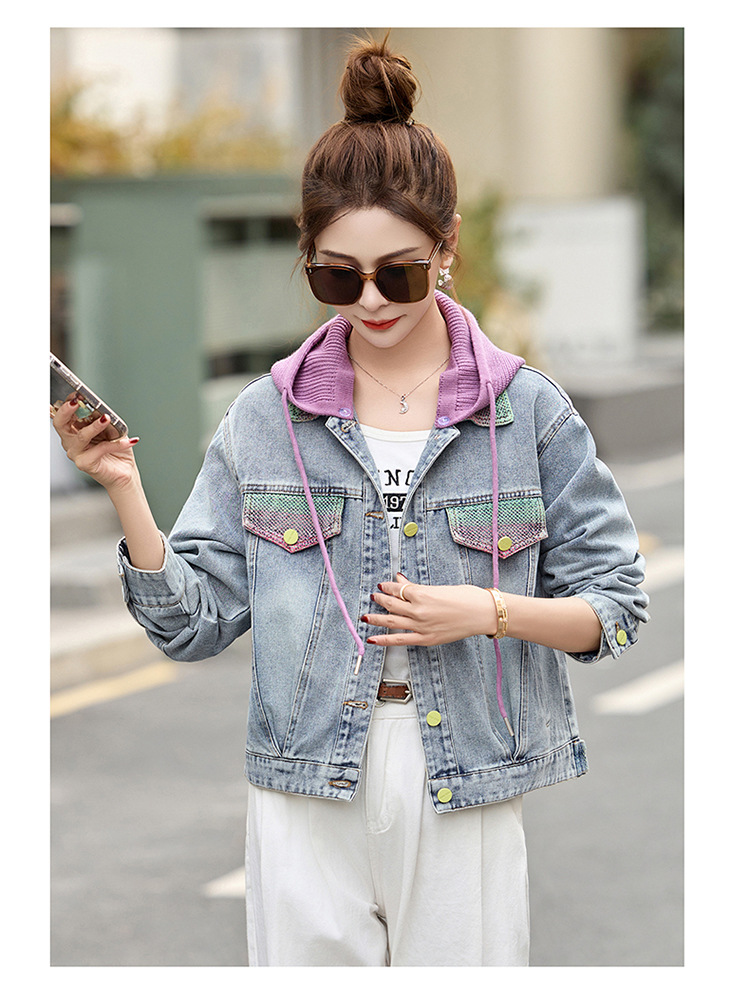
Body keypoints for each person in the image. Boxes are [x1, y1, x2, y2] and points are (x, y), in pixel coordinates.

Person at [52, 37, 649, 967]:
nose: (369, 301)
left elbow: (615, 606)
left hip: (465, 781)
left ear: (446, 249)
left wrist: (486, 610)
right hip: (305, 786)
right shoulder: (267, 418)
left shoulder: (527, 413)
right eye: (337, 275)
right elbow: (193, 625)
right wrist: (125, 487)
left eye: (398, 273)